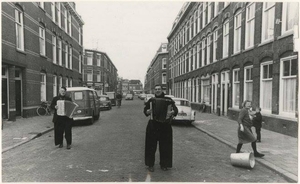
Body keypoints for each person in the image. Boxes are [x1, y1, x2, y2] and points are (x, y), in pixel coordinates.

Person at [143, 84, 178, 172]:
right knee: (151, 146)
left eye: (159, 89)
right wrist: (147, 111)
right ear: (154, 91)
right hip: (153, 125)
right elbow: (145, 110)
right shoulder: (151, 100)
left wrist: (173, 112)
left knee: (165, 146)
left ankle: (164, 164)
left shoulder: (169, 100)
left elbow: (175, 110)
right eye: (156, 89)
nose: (157, 90)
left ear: (162, 90)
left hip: (165, 126)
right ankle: (150, 164)